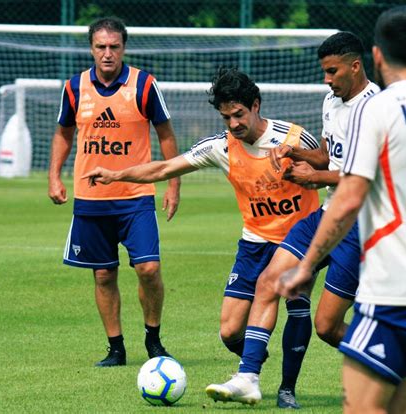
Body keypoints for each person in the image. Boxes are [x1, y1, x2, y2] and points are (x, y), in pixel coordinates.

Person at [82, 66, 320, 408]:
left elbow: (330, 170)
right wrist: (116, 174)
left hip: (299, 239)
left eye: (239, 114)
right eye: (226, 118)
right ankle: (255, 356)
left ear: (256, 105)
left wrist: (311, 176)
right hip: (254, 242)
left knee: (296, 304)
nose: (234, 124)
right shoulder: (220, 147)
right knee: (229, 331)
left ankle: (285, 389)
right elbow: (164, 168)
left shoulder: (294, 138)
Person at [277, 6, 406, 413]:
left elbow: (348, 196)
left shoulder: (377, 110)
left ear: (376, 57)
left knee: (362, 408)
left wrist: (306, 265)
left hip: (395, 290)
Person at [204, 31, 379, 408]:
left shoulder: (377, 109)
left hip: (361, 223)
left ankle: (386, 361)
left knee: (328, 327)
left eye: (332, 71)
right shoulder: (332, 102)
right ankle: (248, 377)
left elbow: (370, 175)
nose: (326, 79)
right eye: (324, 72)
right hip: (327, 215)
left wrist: (313, 178)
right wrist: (296, 153)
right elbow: (332, 158)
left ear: (355, 65)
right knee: (270, 279)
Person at [48, 17, 181, 367]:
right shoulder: (75, 87)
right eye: (101, 47)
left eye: (114, 47)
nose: (108, 53)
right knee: (104, 274)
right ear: (91, 48)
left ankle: (153, 339)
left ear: (124, 47)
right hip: (91, 199)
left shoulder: (144, 85)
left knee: (149, 269)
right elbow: (63, 133)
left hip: (136, 198)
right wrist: (54, 177)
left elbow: (165, 133)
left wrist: (173, 183)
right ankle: (116, 348)